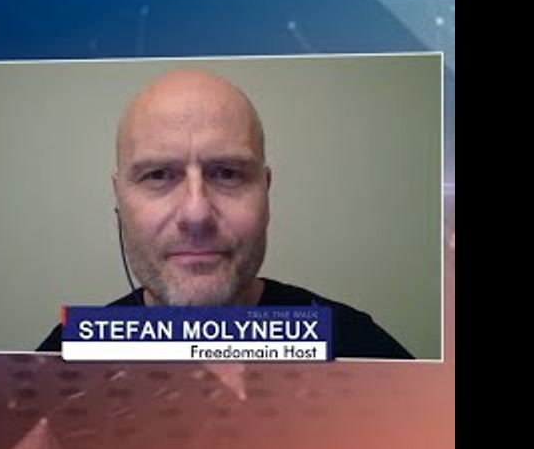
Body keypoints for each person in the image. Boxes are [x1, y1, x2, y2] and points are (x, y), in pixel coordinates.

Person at [38, 69, 413, 359]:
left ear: (266, 191)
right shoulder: (61, 361)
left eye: (228, 174)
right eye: (158, 175)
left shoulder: (357, 348)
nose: (197, 213)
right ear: (119, 198)